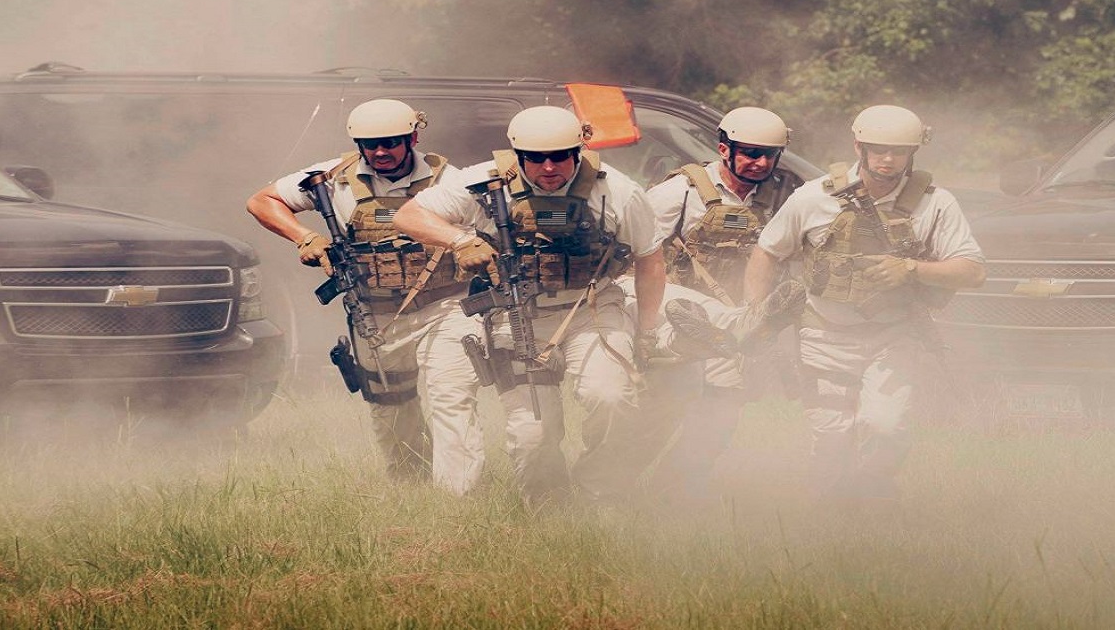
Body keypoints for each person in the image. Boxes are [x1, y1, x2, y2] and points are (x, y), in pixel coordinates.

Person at [393, 105, 667, 506]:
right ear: (518, 155)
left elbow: (650, 259)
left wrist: (646, 331)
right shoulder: (484, 182)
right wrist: (461, 240)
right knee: (532, 433)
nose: (548, 167)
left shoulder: (618, 191)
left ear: (578, 151)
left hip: (591, 309)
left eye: (559, 156)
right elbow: (408, 215)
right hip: (516, 316)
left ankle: (599, 492)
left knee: (611, 397)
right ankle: (547, 508)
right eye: (535, 158)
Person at [743, 104, 986, 502]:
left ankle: (871, 494)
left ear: (913, 153)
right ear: (859, 147)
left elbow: (973, 272)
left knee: (884, 426)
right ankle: (828, 511)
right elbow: (767, 252)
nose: (888, 159)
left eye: (899, 151)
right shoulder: (814, 197)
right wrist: (754, 317)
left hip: (894, 335)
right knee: (832, 436)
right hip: (823, 334)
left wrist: (911, 268)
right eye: (879, 149)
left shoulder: (936, 203)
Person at [246, 99, 485, 491]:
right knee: (390, 404)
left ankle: (457, 497)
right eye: (370, 145)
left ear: (412, 138)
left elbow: (486, 227)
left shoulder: (449, 180)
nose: (380, 152)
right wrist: (304, 236)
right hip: (376, 313)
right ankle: (410, 487)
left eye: (390, 143)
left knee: (452, 397)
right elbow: (262, 201)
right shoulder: (333, 179)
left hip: (444, 305)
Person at [641, 106, 807, 500]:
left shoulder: (785, 197)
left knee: (722, 411)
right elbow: (637, 251)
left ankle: (675, 493)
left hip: (734, 326)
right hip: (676, 317)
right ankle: (611, 488)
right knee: (658, 414)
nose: (760, 162)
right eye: (750, 153)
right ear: (723, 149)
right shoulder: (678, 193)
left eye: (769, 155)